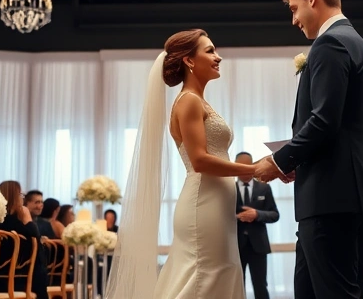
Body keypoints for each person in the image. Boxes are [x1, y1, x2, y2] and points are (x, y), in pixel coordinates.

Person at [253, 0, 363, 299]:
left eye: (295, 8)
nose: (294, 20)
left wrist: (280, 161)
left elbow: (325, 121)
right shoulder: (357, 45)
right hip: (343, 195)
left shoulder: (332, 44)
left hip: (331, 199)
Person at [106, 29, 255, 299]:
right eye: (210, 51)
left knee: (219, 272)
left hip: (216, 205)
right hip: (203, 204)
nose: (218, 57)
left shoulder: (199, 101)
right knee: (204, 276)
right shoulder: (188, 101)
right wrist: (254, 169)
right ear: (188, 60)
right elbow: (199, 160)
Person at [0, 181, 49, 298]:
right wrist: (27, 216)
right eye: (20, 195)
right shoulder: (17, 224)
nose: (22, 198)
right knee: (40, 266)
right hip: (17, 280)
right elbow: (36, 243)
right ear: (14, 196)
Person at [235, 151, 280, 299]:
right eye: (240, 166)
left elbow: (274, 215)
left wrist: (257, 214)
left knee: (260, 286)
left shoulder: (264, 188)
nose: (244, 169)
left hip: (258, 247)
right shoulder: (229, 189)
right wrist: (236, 217)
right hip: (236, 247)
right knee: (236, 286)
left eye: (248, 165)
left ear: (253, 165)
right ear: (235, 167)